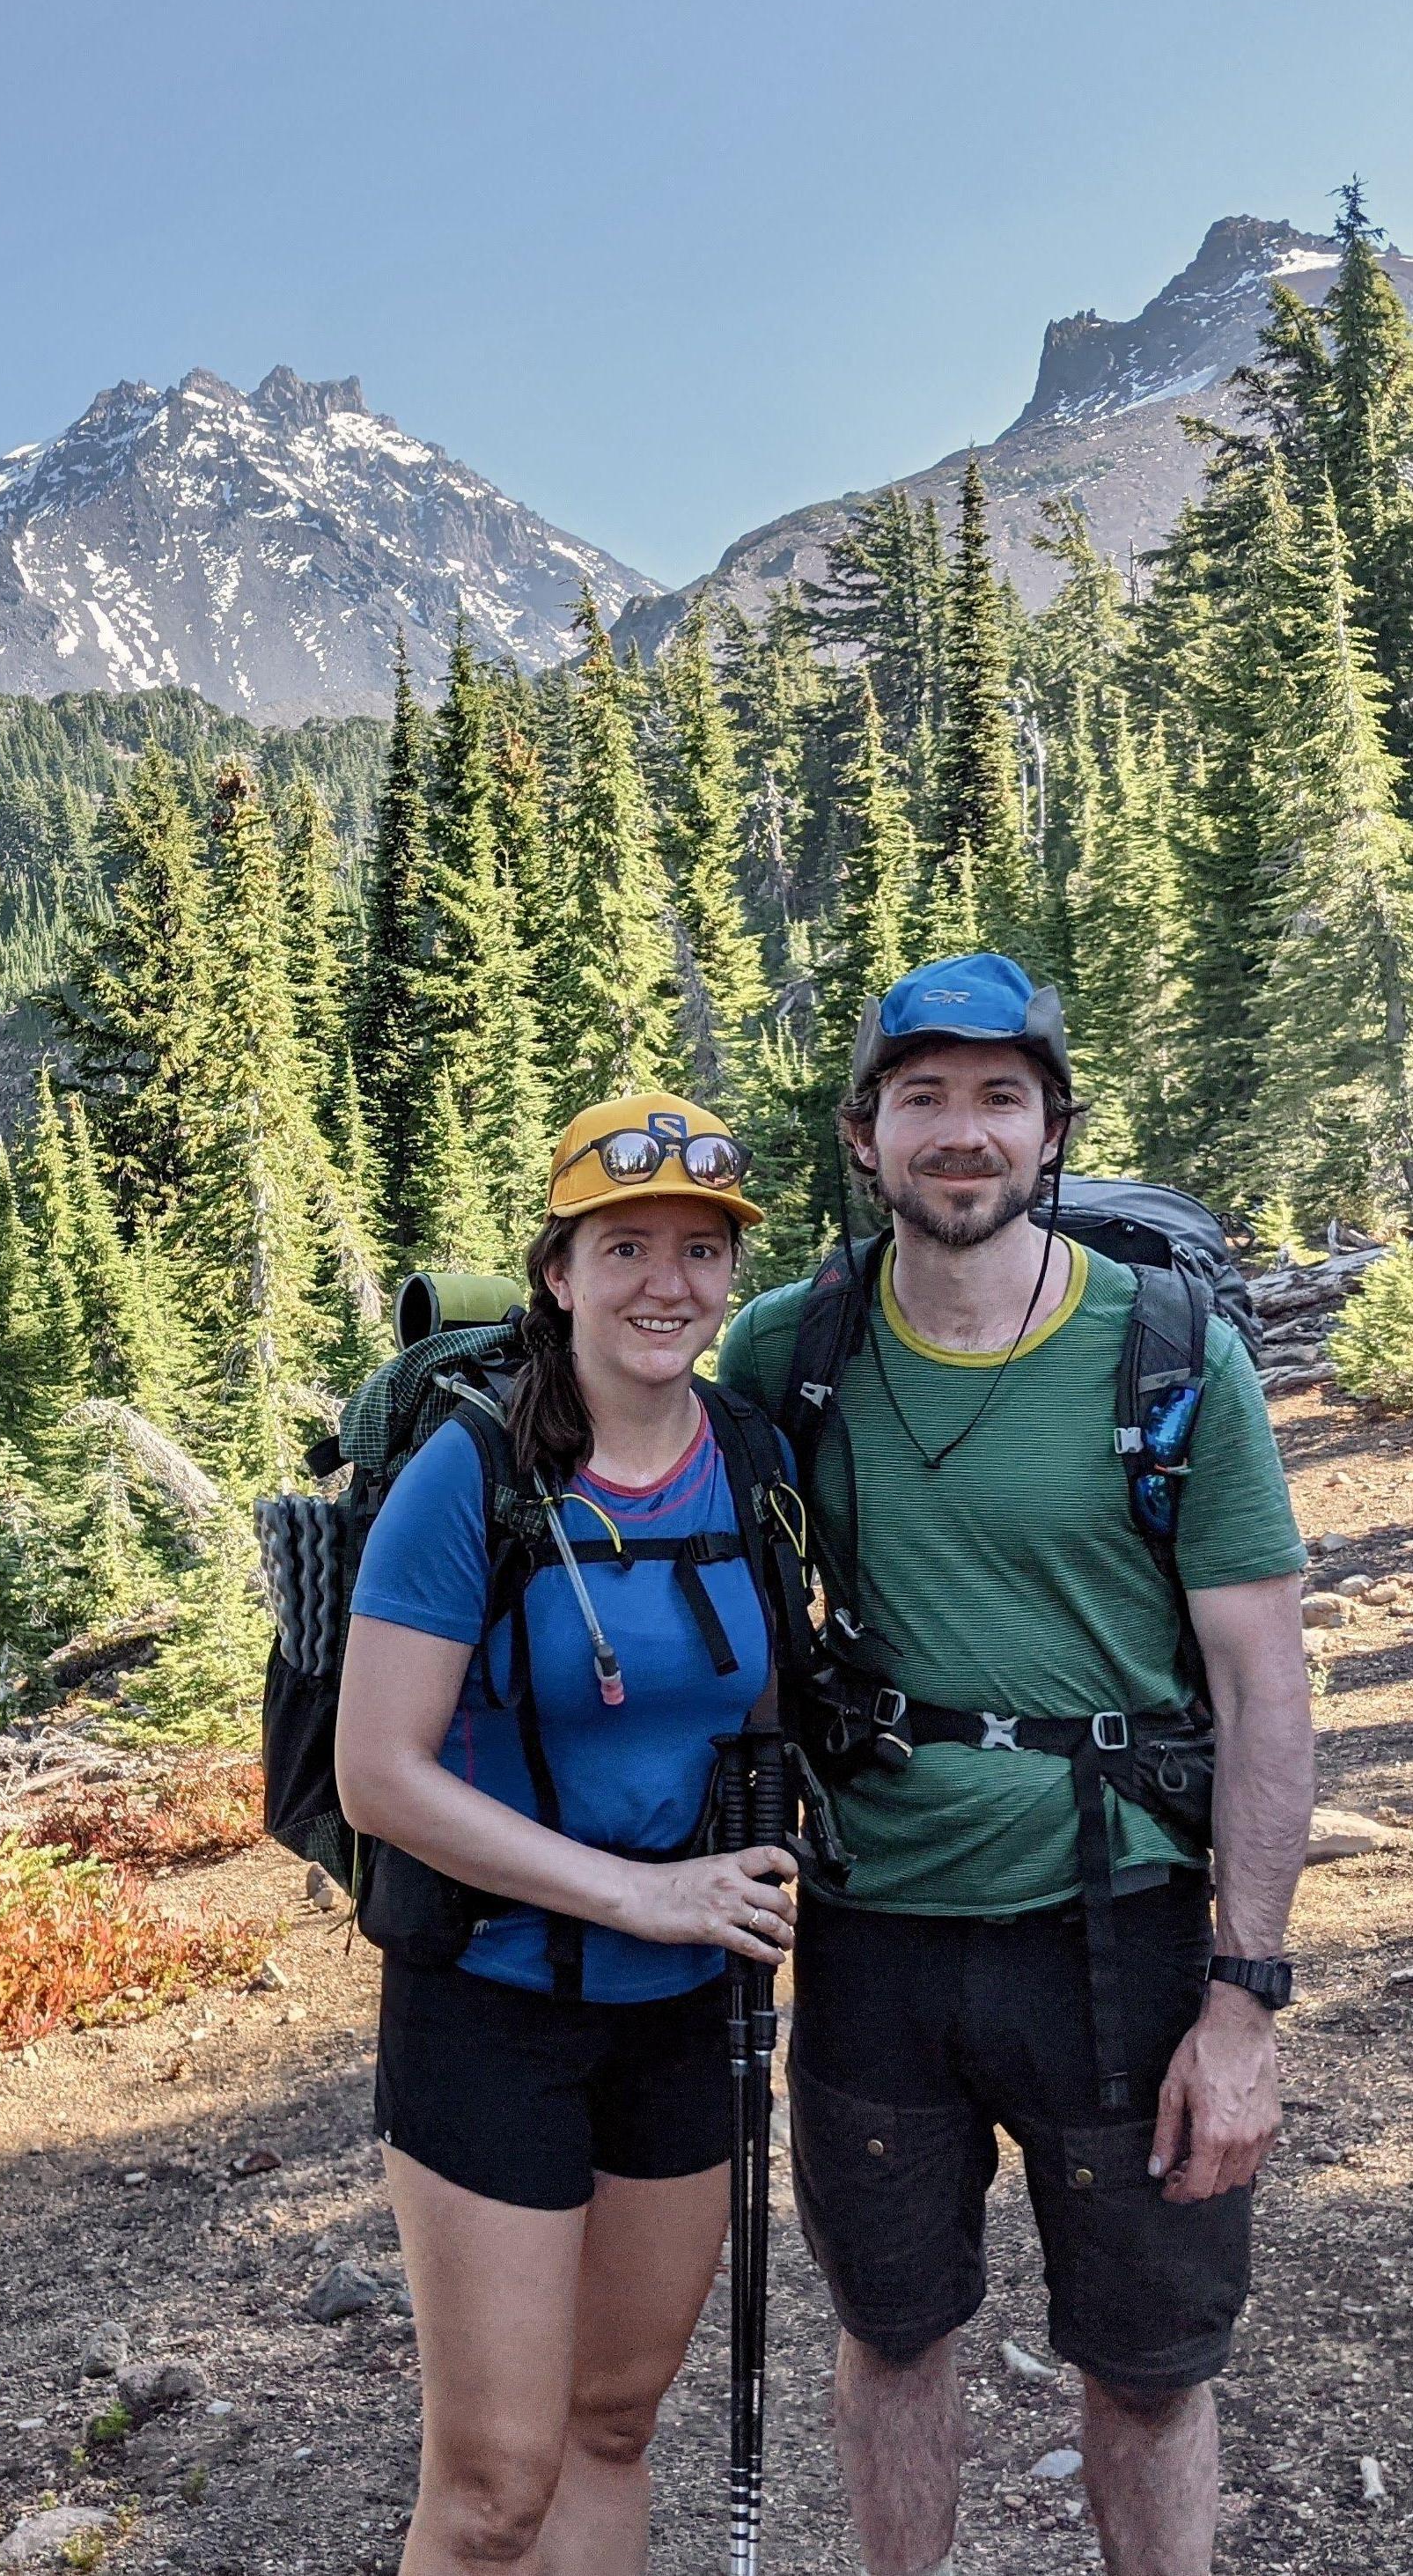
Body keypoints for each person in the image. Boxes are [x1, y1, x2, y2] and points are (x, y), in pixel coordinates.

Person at [720, 953, 1314, 2576]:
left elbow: (1266, 1686)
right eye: (925, 1097)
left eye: (1001, 1097)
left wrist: (1245, 2004)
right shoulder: (793, 1349)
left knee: (1146, 2363)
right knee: (893, 2332)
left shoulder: (1171, 1352)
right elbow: (639, 1459)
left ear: (1053, 1130)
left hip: (1117, 1922)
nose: (962, 1132)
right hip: (873, 1934)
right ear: (865, 1134)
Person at [334, 1093, 799, 2576]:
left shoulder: (752, 1456)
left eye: (700, 1250)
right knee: (491, 2484)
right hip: (491, 2005)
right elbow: (379, 1774)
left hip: (690, 2018)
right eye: (626, 1245)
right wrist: (645, 1895)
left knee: (612, 2422)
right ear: (559, 1269)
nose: (668, 1282)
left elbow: (781, 1709)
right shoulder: (465, 1478)